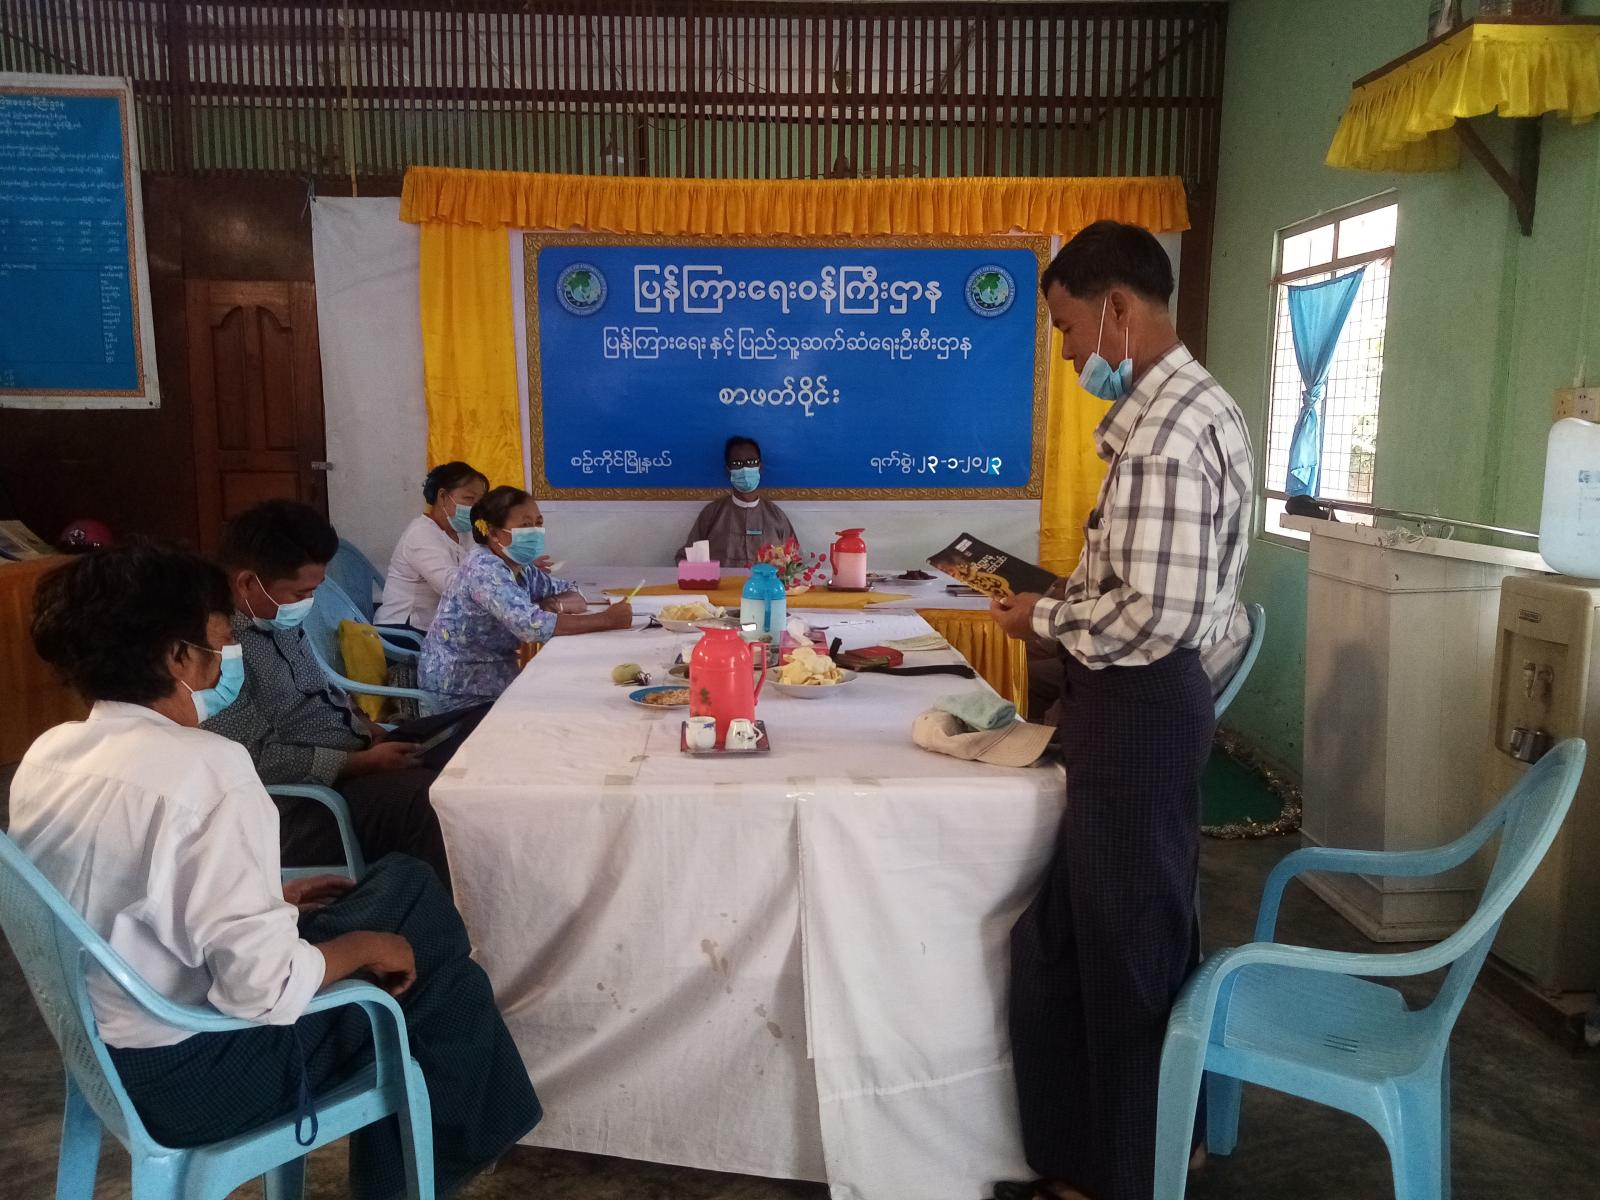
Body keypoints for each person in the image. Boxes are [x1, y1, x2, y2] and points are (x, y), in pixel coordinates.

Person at [12, 544, 540, 1198]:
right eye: (218, 645)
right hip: (200, 1074)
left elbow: (112, 894)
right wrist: (364, 947)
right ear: (177, 657)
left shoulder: (50, 753)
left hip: (104, 1050)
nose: (226, 661)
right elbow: (261, 991)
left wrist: (272, 897)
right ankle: (431, 1167)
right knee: (436, 976)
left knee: (405, 886)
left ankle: (452, 1150)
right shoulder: (207, 769)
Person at [987, 222, 1253, 1200]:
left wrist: (1046, 615)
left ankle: (1132, 1169)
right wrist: (1065, 604)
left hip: (1139, 708)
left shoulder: (1167, 437)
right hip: (1139, 703)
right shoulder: (1189, 409)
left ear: (1117, 310)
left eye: (1066, 330)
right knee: (1071, 941)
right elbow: (1157, 590)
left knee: (1127, 948)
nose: (1066, 355)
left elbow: (1158, 614)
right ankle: (1130, 1144)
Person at [202, 500, 473, 888]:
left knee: (472, 730)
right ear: (247, 583)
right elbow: (250, 759)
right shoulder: (218, 650)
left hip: (355, 756)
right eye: (300, 593)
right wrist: (357, 763)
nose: (307, 603)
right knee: (432, 803)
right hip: (305, 805)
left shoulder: (277, 617)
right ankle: (442, 915)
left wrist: (365, 726)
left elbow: (321, 689)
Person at [420, 486, 631, 708]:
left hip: (496, 679)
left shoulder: (520, 566)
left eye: (538, 523)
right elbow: (530, 626)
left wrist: (555, 604)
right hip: (460, 691)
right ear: (494, 533)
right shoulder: (484, 569)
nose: (535, 531)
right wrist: (608, 620)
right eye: (525, 525)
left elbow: (573, 591)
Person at [374, 460, 489, 633]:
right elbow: (451, 586)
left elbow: (484, 563)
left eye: (480, 502)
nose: (475, 508)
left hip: (439, 626)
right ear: (442, 496)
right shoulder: (421, 533)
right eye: (469, 499)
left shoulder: (464, 532)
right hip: (405, 629)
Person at [677, 436, 799, 569]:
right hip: (721, 582)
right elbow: (687, 557)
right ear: (728, 470)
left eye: (751, 462)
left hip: (764, 583)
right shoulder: (712, 513)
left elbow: (795, 562)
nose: (745, 469)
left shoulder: (776, 516)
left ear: (760, 467)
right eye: (737, 464)